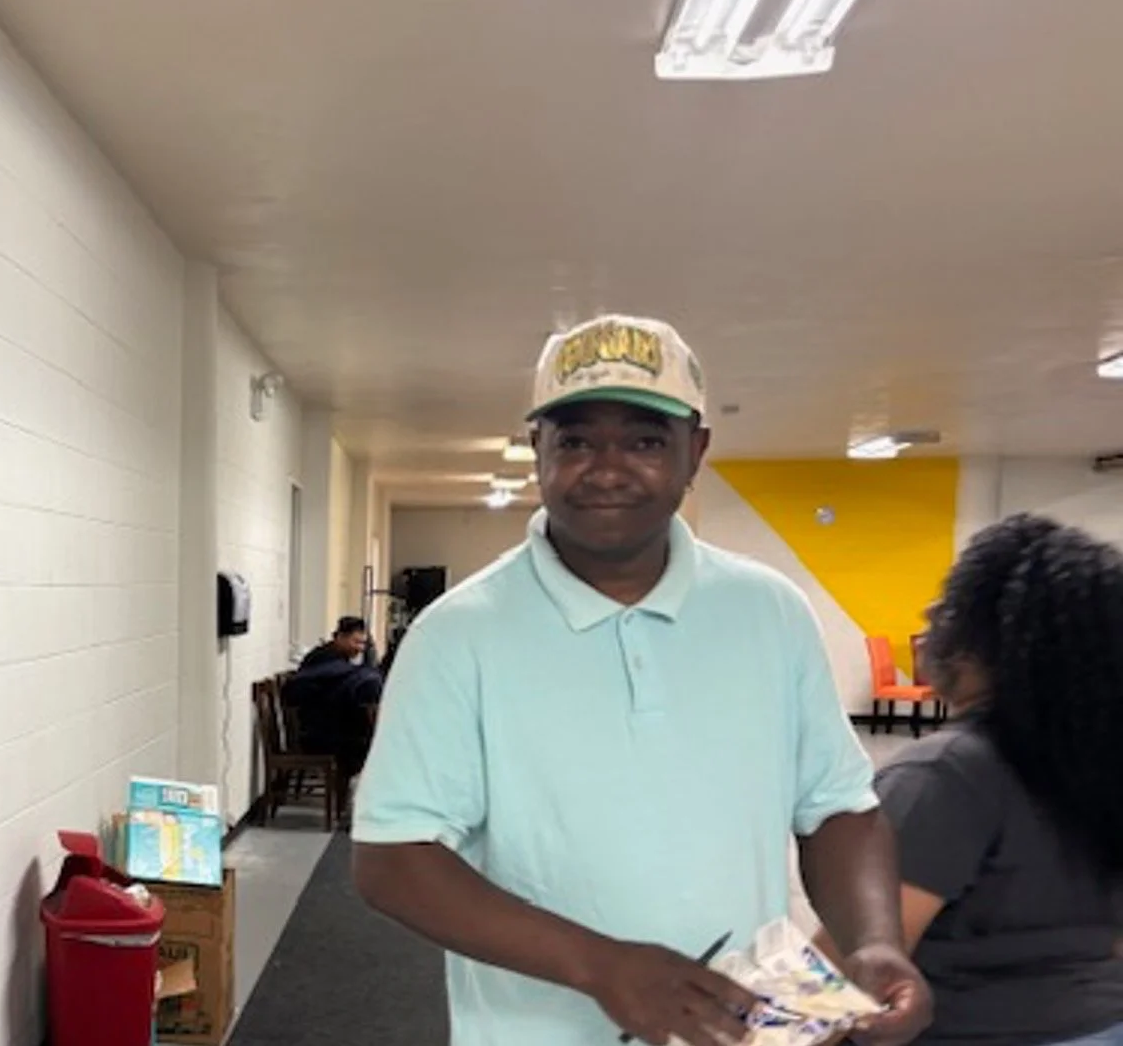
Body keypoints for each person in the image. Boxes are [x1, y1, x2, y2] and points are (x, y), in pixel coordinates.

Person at [349, 313, 933, 1045]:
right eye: (577, 440)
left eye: (646, 440)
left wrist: (872, 941)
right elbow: (392, 858)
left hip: (737, 1030)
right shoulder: (458, 633)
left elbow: (839, 807)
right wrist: (601, 968)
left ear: (697, 452)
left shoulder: (770, 613)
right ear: (538, 450)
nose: (608, 467)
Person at [868, 514, 1123, 1045]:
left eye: (947, 602)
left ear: (983, 638)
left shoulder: (943, 777)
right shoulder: (1101, 763)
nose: (929, 615)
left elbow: (853, 965)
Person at [284, 616, 387, 810]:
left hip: (321, 724)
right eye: (356, 642)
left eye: (363, 643)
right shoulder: (324, 661)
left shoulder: (335, 661)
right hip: (316, 733)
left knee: (360, 734)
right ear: (340, 637)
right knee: (360, 741)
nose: (360, 648)